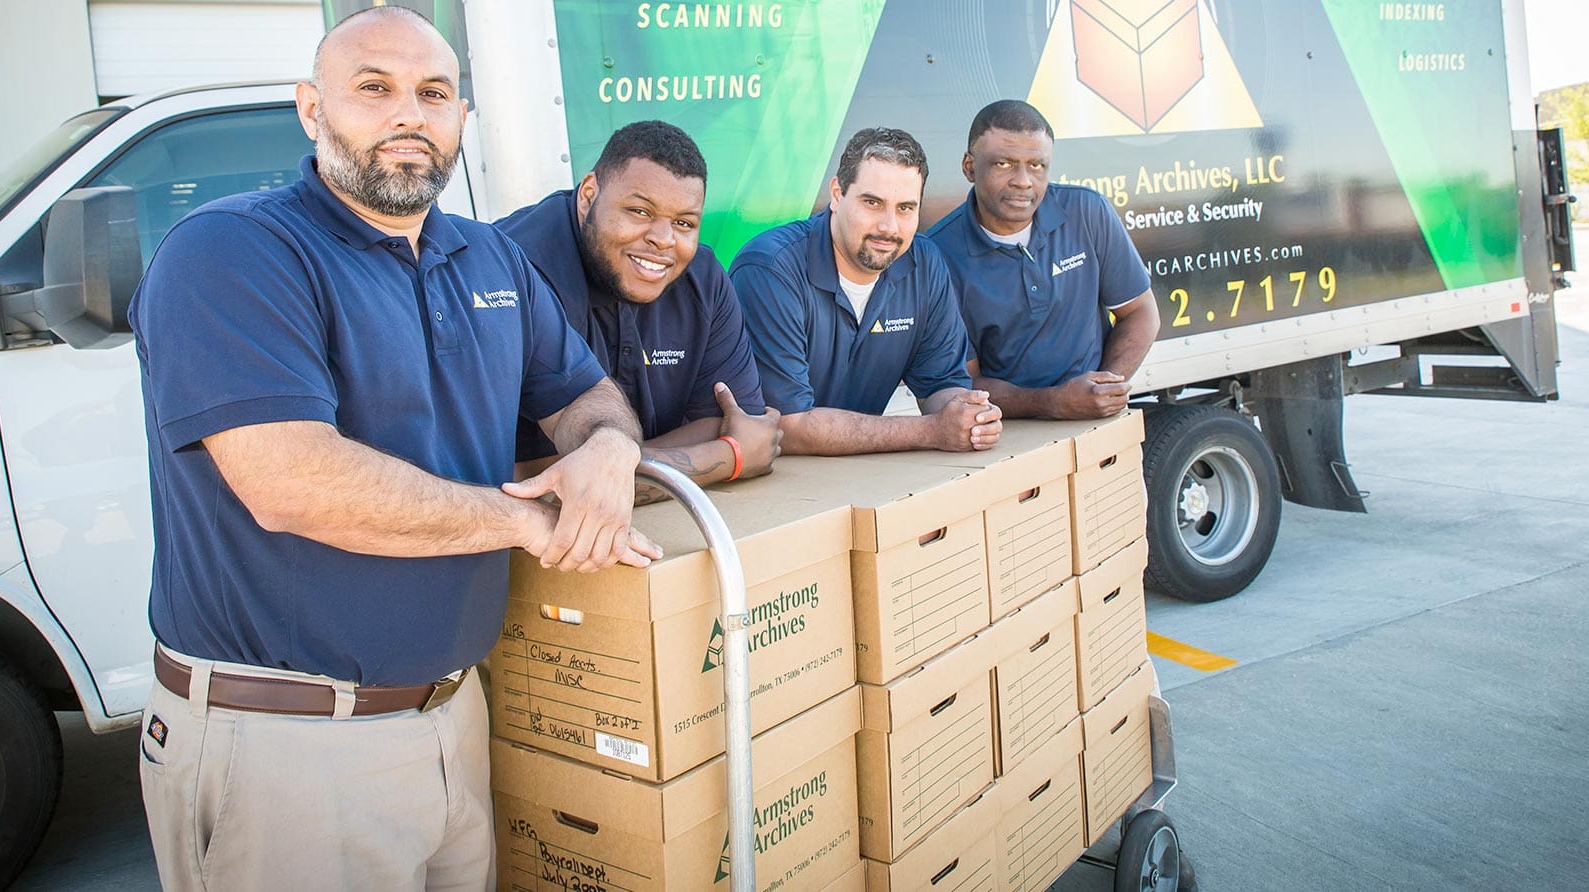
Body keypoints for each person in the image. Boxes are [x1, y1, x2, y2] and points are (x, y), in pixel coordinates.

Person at [127, 8, 656, 890]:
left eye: (434, 93)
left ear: (459, 119)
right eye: (374, 88)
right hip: (287, 747)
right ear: (311, 109)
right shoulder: (233, 251)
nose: (409, 113)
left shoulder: (487, 259)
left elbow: (590, 398)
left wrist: (609, 453)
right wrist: (527, 525)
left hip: (456, 715)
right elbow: (291, 480)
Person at [495, 120, 780, 496]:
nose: (663, 240)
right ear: (588, 195)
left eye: (683, 222)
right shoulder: (511, 269)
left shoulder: (703, 277)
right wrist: (727, 458)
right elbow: (512, 483)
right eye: (640, 212)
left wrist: (608, 464)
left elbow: (733, 423)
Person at [729, 127, 1002, 454]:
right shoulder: (770, 268)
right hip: (772, 479)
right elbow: (788, 425)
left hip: (863, 474)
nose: (889, 227)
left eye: (905, 208)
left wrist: (968, 415)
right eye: (872, 203)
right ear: (836, 194)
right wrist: (931, 430)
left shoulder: (924, 262)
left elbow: (941, 385)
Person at [925, 100, 1162, 419]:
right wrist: (1054, 402)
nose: (1023, 181)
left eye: (1037, 165)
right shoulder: (937, 255)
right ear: (970, 167)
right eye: (1004, 164)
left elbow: (1140, 312)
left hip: (1097, 421)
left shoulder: (1086, 212)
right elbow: (965, 381)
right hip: (1004, 431)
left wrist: (1104, 390)